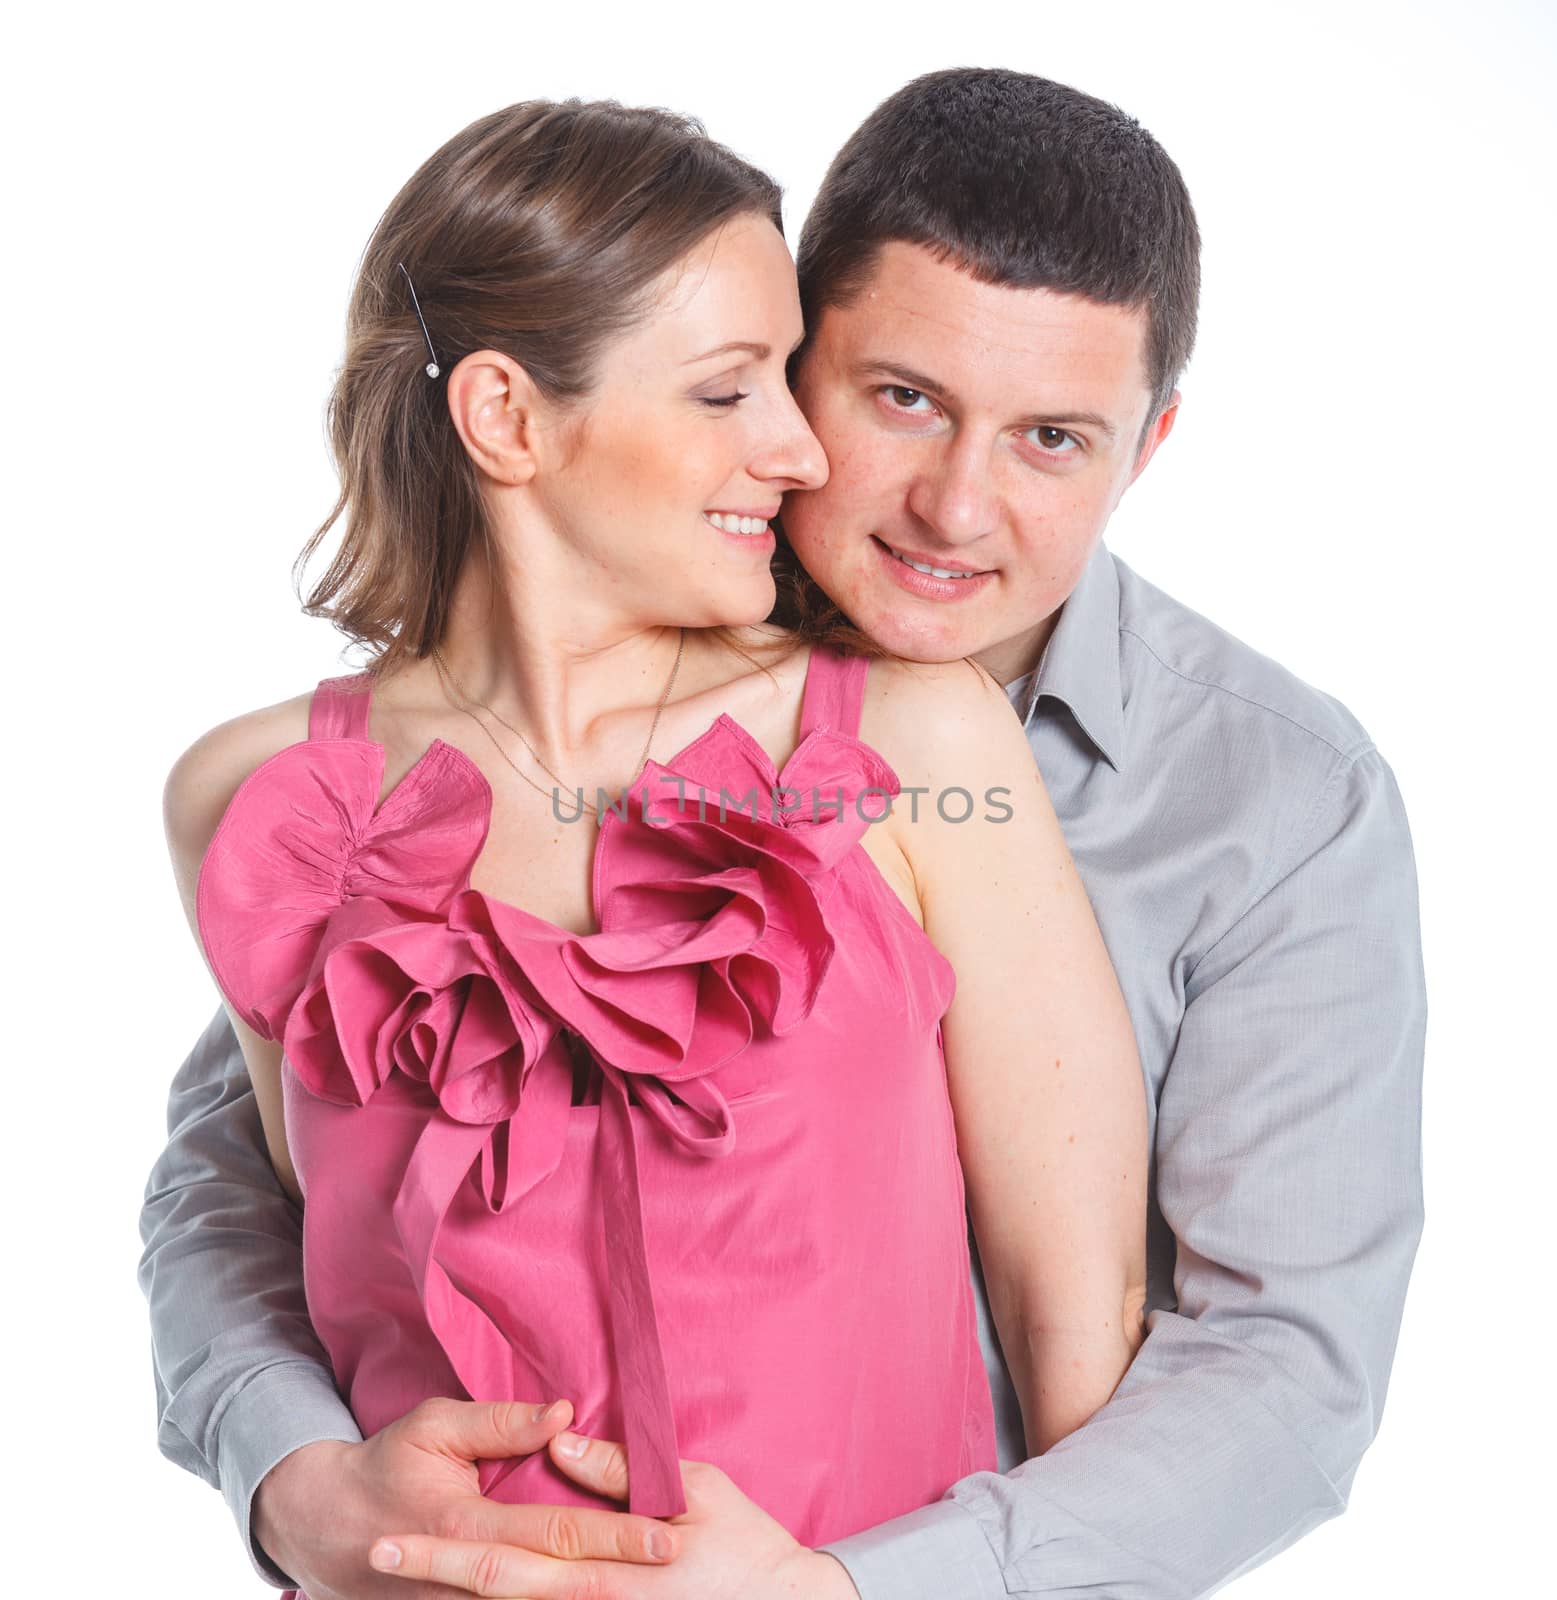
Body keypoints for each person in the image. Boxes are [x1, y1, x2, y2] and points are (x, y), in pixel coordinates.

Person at [140, 69, 1426, 1600]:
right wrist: (292, 1479)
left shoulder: (1258, 794)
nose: (952, 507)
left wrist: (846, 1593)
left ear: (1141, 450)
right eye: (898, 398)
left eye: (1051, 440)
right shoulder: (312, 796)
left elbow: (1266, 1372)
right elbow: (251, 1186)